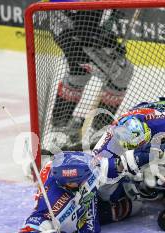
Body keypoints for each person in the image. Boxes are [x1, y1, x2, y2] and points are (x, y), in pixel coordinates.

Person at [13, 149, 154, 233]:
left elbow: (110, 166)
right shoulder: (51, 205)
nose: (91, 174)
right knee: (136, 206)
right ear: (71, 183)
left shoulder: (80, 171)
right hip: (88, 220)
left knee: (125, 188)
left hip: (90, 202)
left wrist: (144, 156)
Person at [47, 4, 133, 146]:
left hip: (74, 26)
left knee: (79, 72)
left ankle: (60, 129)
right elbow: (85, 26)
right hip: (71, 27)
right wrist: (102, 39)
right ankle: (98, 137)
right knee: (122, 73)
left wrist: (106, 37)